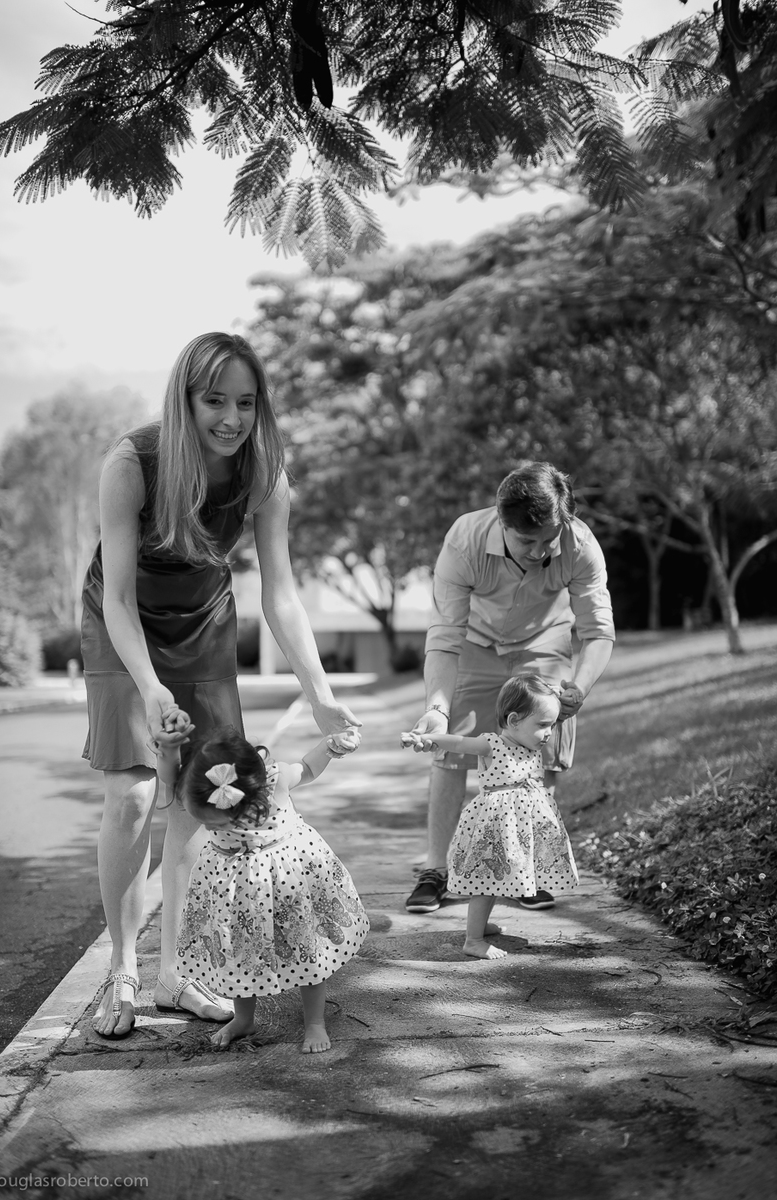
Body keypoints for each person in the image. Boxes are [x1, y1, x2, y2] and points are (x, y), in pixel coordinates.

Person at [82, 331, 360, 1039]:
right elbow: (117, 597)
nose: (232, 418)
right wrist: (150, 688)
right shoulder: (133, 463)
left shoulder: (264, 473)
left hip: (203, 624)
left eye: (246, 402)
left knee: (199, 798)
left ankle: (176, 972)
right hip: (123, 624)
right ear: (185, 401)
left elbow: (282, 595)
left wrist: (321, 696)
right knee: (133, 793)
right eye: (215, 401)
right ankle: (123, 970)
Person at [404, 461, 614, 915]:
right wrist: (437, 709)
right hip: (475, 642)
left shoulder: (580, 547)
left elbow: (598, 631)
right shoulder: (464, 541)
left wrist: (580, 686)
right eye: (527, 540)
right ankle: (436, 870)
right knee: (452, 749)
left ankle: (527, 871)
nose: (540, 552)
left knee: (540, 748)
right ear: (503, 522)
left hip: (543, 643)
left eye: (548, 539)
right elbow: (444, 636)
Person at [152, 719, 368, 1053]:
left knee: (304, 947)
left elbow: (308, 767)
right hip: (236, 889)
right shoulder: (196, 785)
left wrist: (329, 745)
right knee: (239, 953)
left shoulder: (274, 781)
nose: (206, 827)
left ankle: (314, 1022)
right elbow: (169, 778)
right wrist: (167, 750)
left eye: (213, 823)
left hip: (287, 880)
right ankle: (244, 1019)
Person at [402, 675, 578, 957]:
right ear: (514, 720)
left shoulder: (531, 747)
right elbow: (459, 743)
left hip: (516, 832)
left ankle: (480, 926)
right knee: (485, 884)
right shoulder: (492, 745)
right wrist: (427, 738)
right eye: (543, 725)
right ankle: (473, 940)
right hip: (495, 829)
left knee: (497, 882)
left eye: (552, 725)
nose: (548, 733)